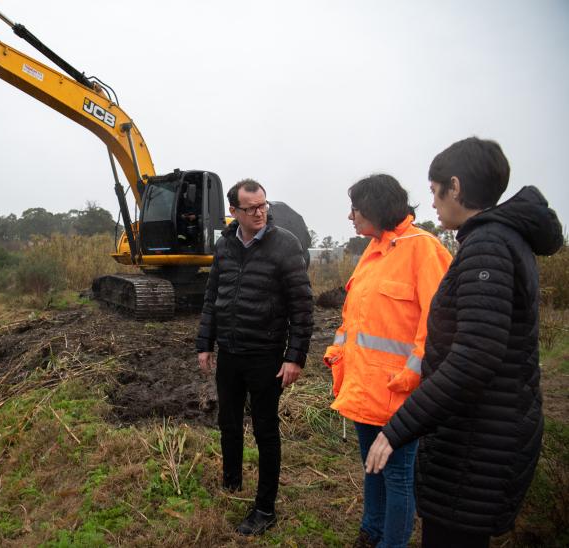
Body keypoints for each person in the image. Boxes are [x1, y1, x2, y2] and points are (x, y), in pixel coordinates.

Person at [365, 137, 564, 547]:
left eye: (435, 189)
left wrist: (398, 427)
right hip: (485, 431)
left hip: (478, 442)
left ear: (454, 186)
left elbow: (473, 357)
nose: (432, 204)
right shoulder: (501, 240)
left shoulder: (487, 247)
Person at [323, 174, 452, 548]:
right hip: (364, 388)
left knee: (397, 476)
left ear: (376, 209)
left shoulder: (423, 249)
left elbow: (439, 322)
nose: (350, 217)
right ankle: (371, 532)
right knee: (371, 466)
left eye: (356, 209)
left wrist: (414, 374)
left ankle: (390, 543)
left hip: (400, 393)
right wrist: (337, 352)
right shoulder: (374, 249)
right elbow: (357, 317)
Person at [196, 178, 313, 536]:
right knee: (228, 423)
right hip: (230, 354)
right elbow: (213, 295)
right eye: (252, 208)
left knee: (265, 430)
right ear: (234, 212)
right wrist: (205, 343)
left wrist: (294, 357)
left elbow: (302, 307)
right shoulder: (225, 245)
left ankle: (265, 508)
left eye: (263, 206)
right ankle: (231, 481)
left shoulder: (284, 245)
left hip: (265, 355)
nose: (260, 212)